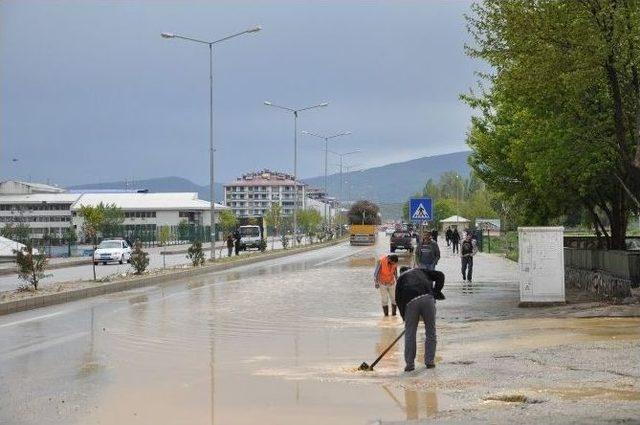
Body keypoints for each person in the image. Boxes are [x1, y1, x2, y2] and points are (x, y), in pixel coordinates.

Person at [395, 265, 445, 372]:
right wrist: (436, 292)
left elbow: (398, 300)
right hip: (428, 299)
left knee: (410, 334)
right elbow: (440, 275)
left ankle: (410, 364)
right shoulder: (420, 270)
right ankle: (430, 362)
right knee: (431, 331)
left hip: (411, 303)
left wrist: (405, 317)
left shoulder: (400, 279)